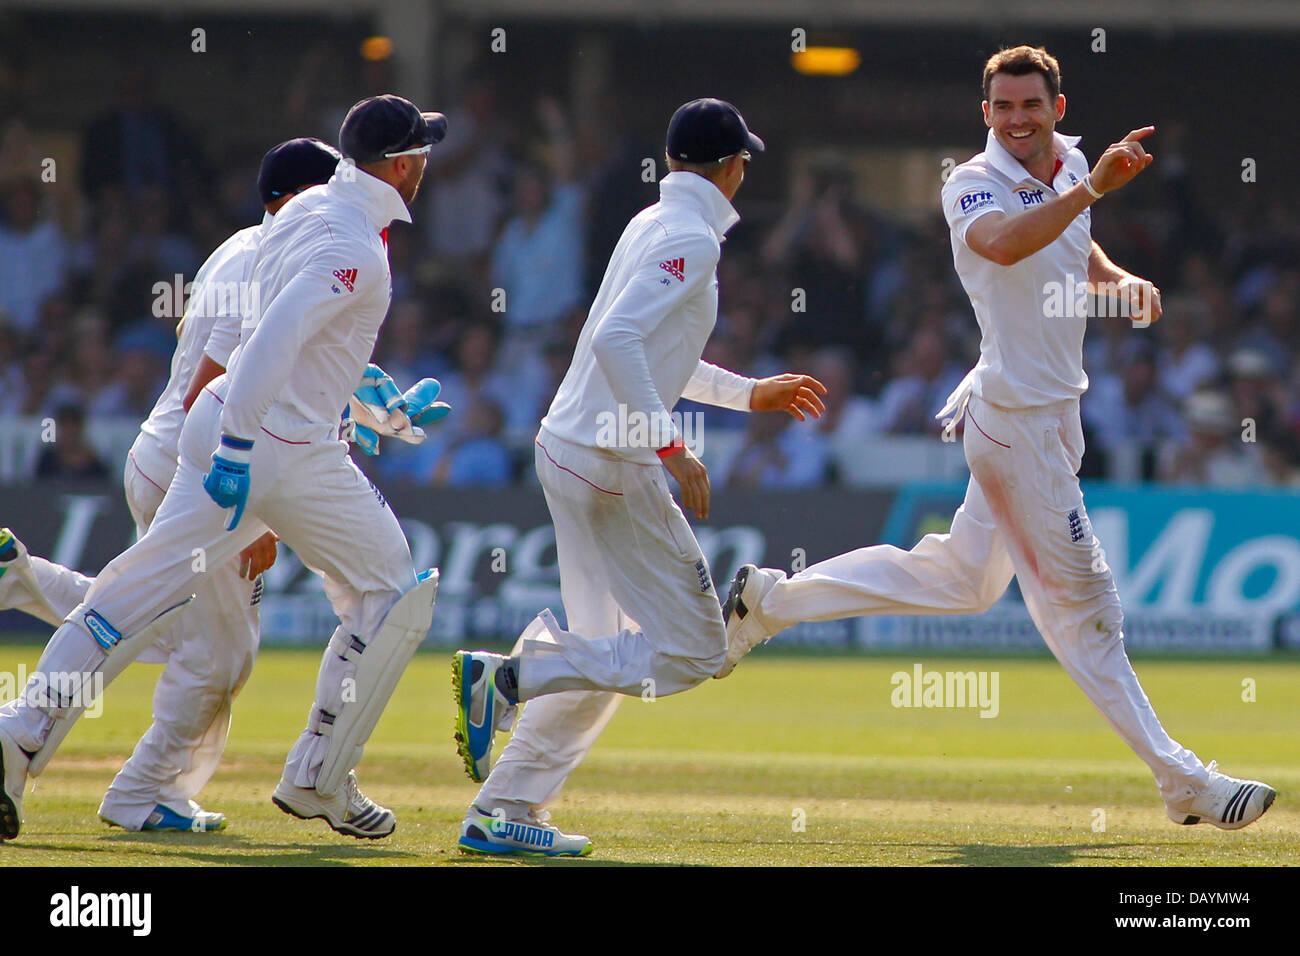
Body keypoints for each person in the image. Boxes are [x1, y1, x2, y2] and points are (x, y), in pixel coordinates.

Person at [718, 47, 1276, 831]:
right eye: (1003, 108)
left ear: (1058, 107)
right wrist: (1090, 188)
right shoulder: (970, 182)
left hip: (1051, 417)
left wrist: (1121, 287)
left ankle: (770, 601)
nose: (1018, 120)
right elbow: (1007, 245)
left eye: (1031, 106)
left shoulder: (1073, 164)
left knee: (959, 580)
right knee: (1085, 608)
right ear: (986, 114)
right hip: (1013, 424)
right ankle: (1183, 781)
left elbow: (1076, 250)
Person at [0, 95, 449, 842]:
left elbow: (305, 345)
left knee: (130, 597)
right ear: (401, 166)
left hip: (222, 423)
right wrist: (244, 449)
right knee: (395, 592)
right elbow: (276, 336)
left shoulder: (302, 214)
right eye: (422, 154)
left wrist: (380, 411)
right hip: (278, 444)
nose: (426, 165)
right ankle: (319, 777)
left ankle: (17, 733)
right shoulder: (357, 247)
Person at [452, 98, 827, 856]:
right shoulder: (690, 236)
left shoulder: (651, 224)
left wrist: (747, 393)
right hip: (612, 464)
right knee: (693, 652)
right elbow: (621, 339)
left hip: (569, 447)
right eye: (744, 162)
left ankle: (502, 809)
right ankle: (514, 676)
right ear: (732, 168)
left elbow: (650, 354)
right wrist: (669, 447)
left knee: (606, 651)